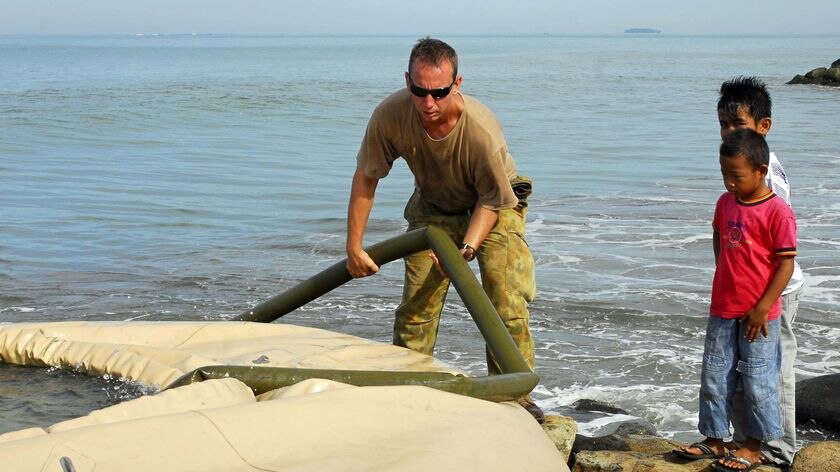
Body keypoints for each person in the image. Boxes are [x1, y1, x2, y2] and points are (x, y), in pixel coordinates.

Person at [345, 37, 543, 422]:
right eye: (419, 91)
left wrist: (462, 252)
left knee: (505, 302)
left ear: (457, 84)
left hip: (496, 206)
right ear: (407, 81)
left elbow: (491, 200)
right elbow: (367, 178)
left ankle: (516, 396)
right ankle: (408, 389)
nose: (428, 103)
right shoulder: (389, 116)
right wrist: (354, 247)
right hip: (433, 208)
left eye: (438, 91)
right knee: (417, 306)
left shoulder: (480, 130)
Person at [679, 77, 804, 469]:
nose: (728, 133)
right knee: (725, 369)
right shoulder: (732, 189)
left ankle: (775, 449)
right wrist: (726, 273)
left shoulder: (770, 183)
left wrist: (760, 298)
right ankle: (727, 439)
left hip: (771, 292)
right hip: (734, 295)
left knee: (769, 373)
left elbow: (779, 252)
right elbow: (723, 236)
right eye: (724, 125)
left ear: (764, 127)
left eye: (738, 125)